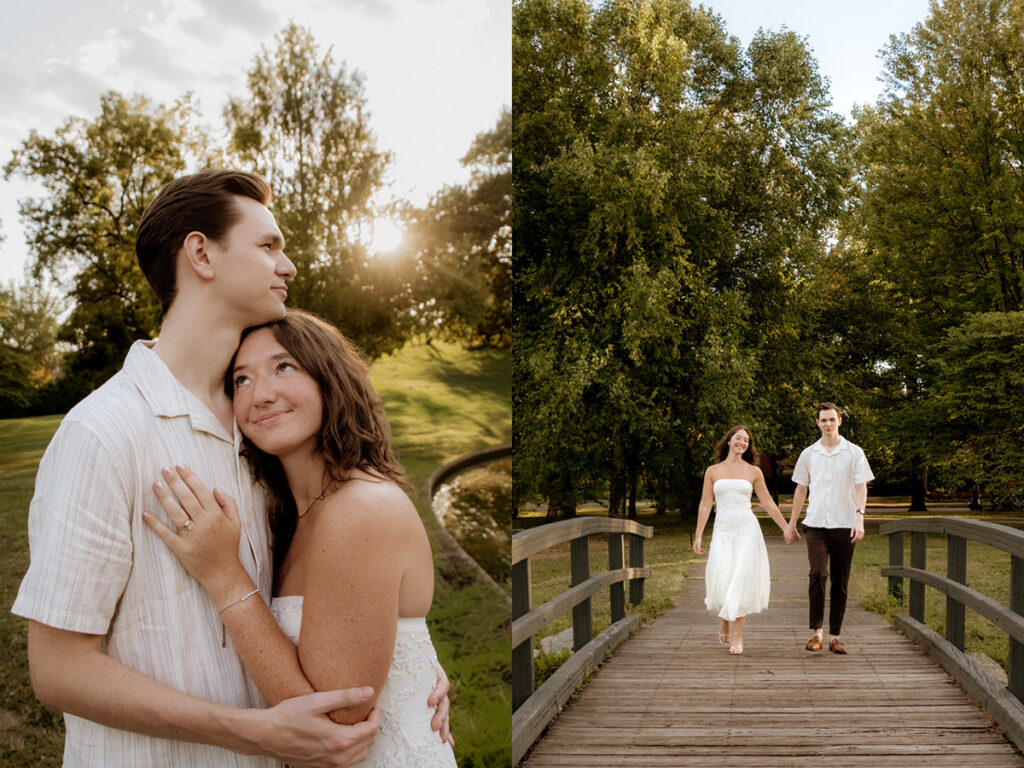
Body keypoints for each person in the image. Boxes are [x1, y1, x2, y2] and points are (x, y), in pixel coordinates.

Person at [10, 170, 448, 766]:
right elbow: (58, 670)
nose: (288, 265)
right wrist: (250, 732)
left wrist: (408, 674)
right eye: (268, 245)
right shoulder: (104, 432)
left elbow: (336, 605)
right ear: (201, 255)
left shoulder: (260, 440)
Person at [143, 309, 458, 767]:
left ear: (329, 377)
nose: (260, 395)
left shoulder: (360, 508)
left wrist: (224, 577)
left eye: (283, 367)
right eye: (241, 380)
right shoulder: (290, 514)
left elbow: (335, 717)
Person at [693, 425, 792, 655]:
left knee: (741, 579)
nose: (742, 443)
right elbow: (706, 503)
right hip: (723, 531)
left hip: (747, 530)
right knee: (723, 575)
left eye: (746, 440)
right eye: (738, 438)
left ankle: (737, 635)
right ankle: (724, 618)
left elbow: (767, 502)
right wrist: (698, 534)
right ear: (728, 441)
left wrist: (786, 527)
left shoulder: (753, 472)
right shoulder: (713, 471)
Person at [785, 402, 874, 655]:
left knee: (840, 580)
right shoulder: (809, 454)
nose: (827, 424)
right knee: (818, 573)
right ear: (817, 423)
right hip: (815, 525)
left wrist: (860, 519)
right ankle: (816, 634)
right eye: (823, 420)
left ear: (839, 421)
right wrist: (791, 524)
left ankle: (835, 636)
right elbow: (801, 489)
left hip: (845, 525)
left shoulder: (854, 452)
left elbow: (861, 486)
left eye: (831, 420)